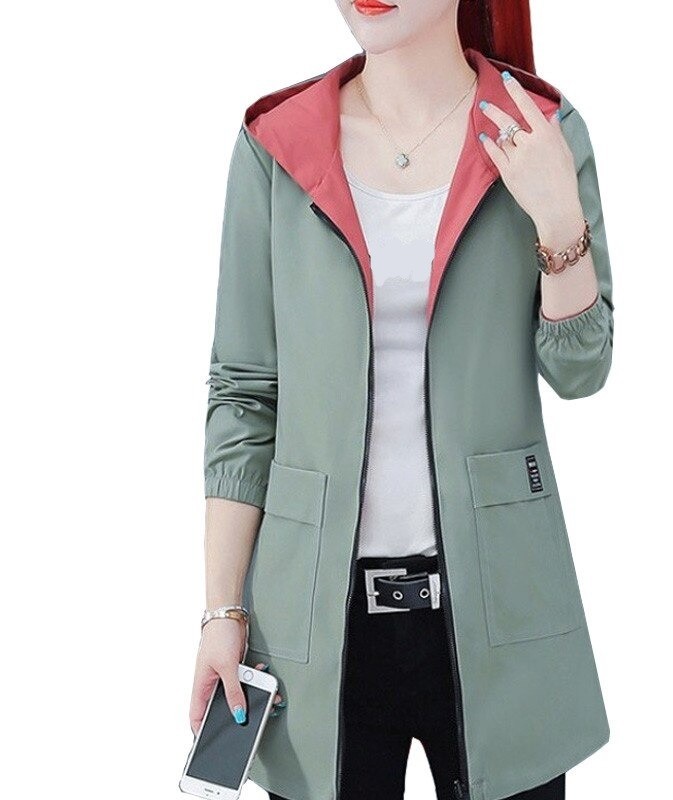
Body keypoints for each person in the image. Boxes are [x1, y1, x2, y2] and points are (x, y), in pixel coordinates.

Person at [189, 1, 615, 799]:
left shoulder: (538, 131)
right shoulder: (277, 145)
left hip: (499, 607)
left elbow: (580, 368)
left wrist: (558, 214)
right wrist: (222, 613)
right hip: (314, 622)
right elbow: (244, 396)